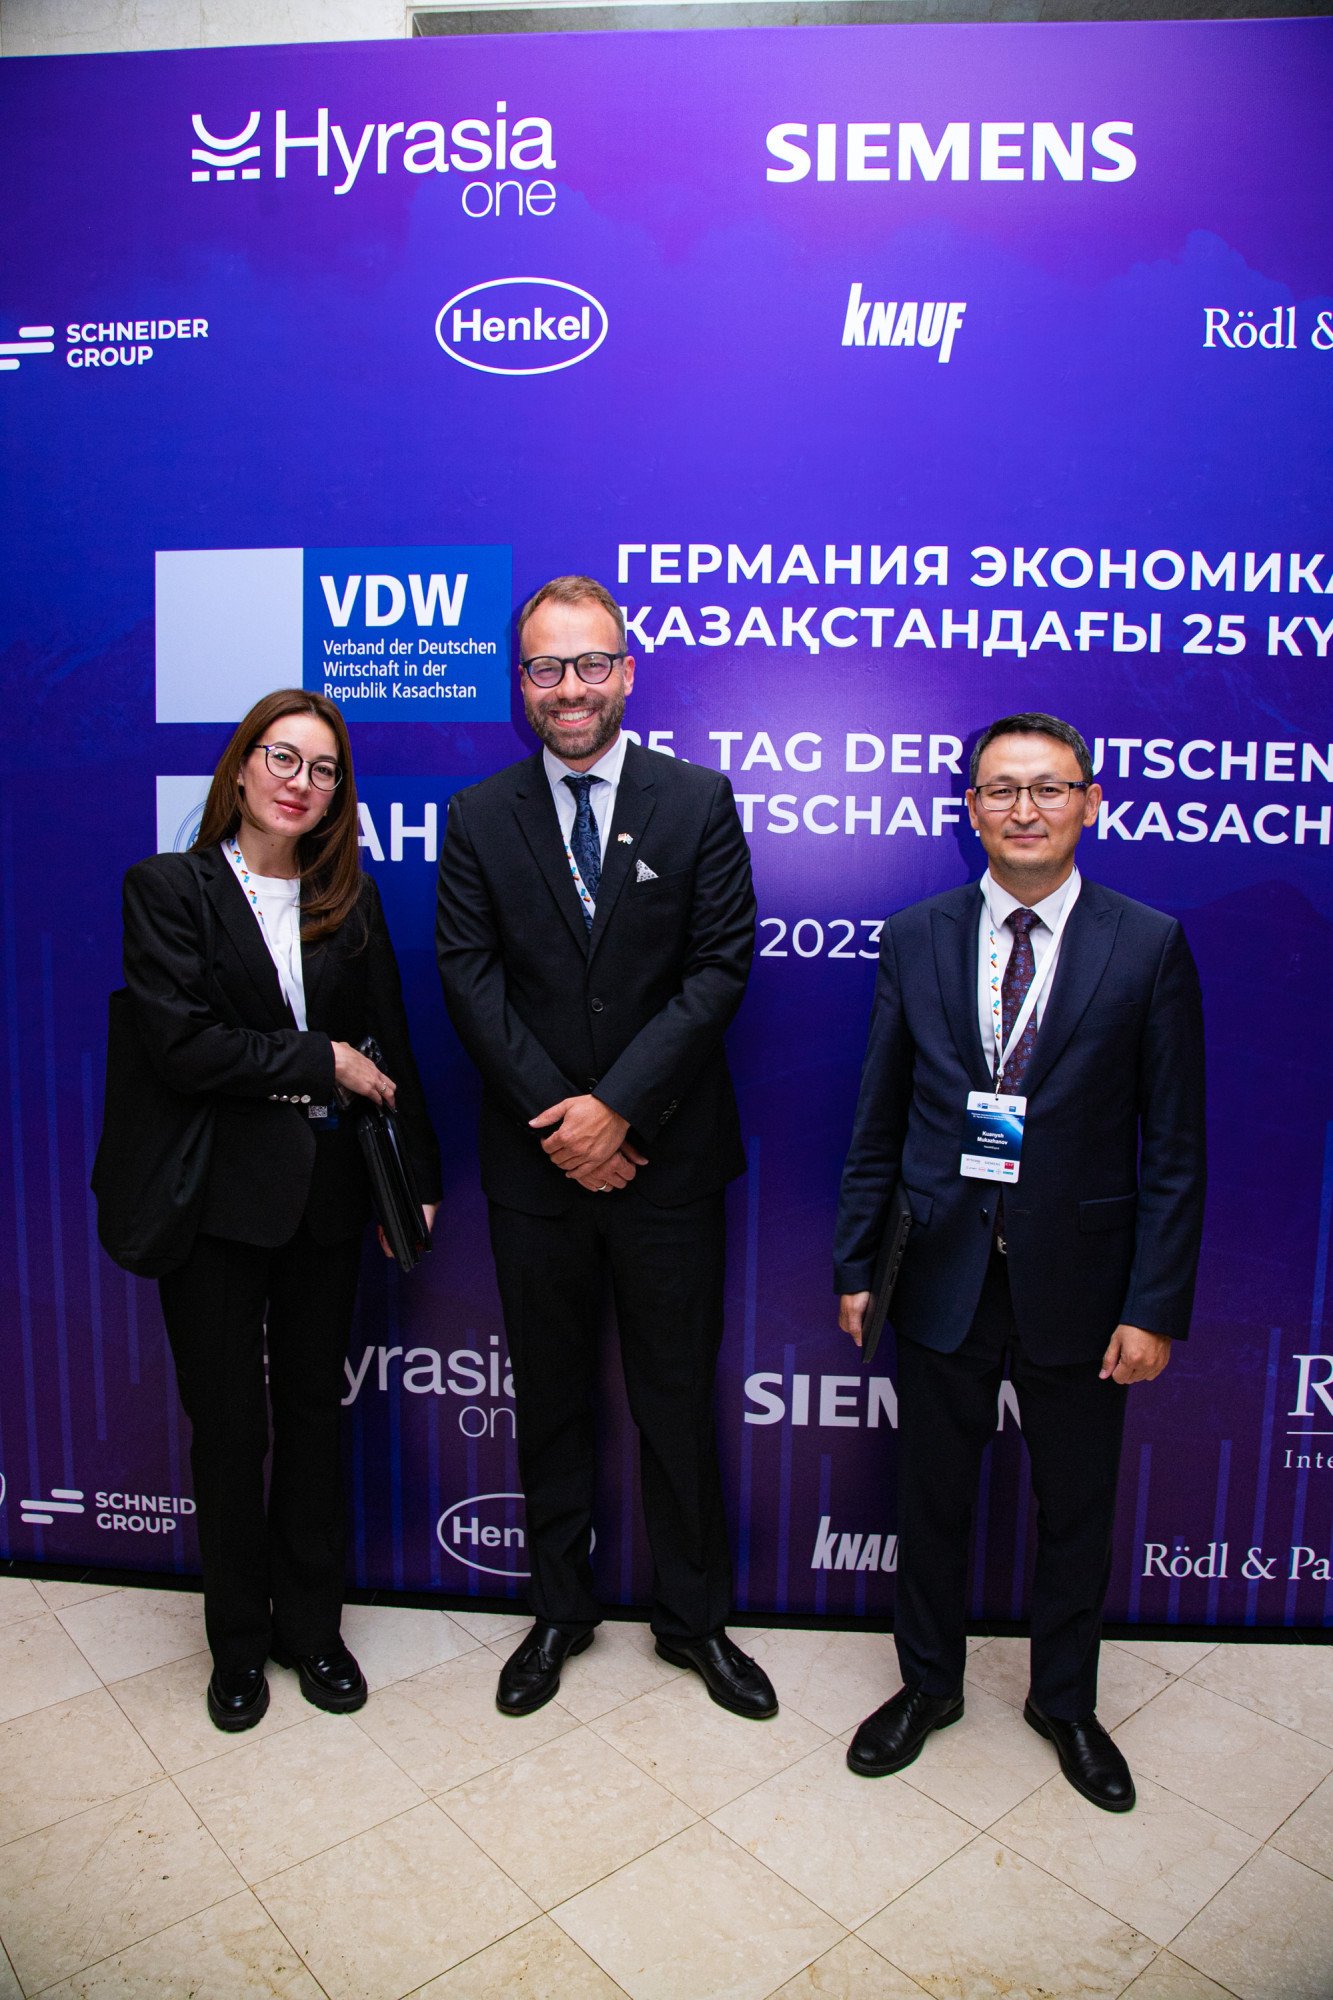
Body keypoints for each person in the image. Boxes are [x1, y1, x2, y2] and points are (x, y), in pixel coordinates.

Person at [835, 712, 1206, 1811]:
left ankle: (1065, 1702)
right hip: (938, 1266)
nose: (1025, 809)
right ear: (970, 809)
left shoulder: (1148, 943)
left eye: (1049, 787)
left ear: (1089, 802)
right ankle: (927, 1687)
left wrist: (1154, 1304)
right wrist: (858, 1264)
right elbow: (878, 1117)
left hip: (1083, 1285)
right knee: (930, 1498)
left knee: (1075, 1507)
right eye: (1001, 789)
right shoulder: (916, 935)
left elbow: (1174, 1147)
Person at [436, 574, 777, 1721]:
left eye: (590, 663)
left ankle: (693, 1620)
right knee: (550, 1397)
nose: (569, 687)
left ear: (627, 672)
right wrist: (567, 1121)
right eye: (546, 666)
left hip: (667, 1162)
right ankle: (560, 1609)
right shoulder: (478, 814)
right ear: (520, 682)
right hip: (536, 1169)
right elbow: (469, 981)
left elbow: (719, 966)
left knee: (675, 1398)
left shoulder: (697, 799)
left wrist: (619, 1109)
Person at [120, 689, 441, 1732]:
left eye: (325, 769)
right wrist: (321, 1060)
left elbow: (390, 1038)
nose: (302, 782)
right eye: (284, 758)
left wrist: (416, 1174)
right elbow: (183, 1044)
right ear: (243, 766)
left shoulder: (350, 898)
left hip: (329, 1196)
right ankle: (237, 1645)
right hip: (214, 1200)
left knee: (313, 1417)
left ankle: (312, 1629)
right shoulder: (168, 888)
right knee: (229, 1428)